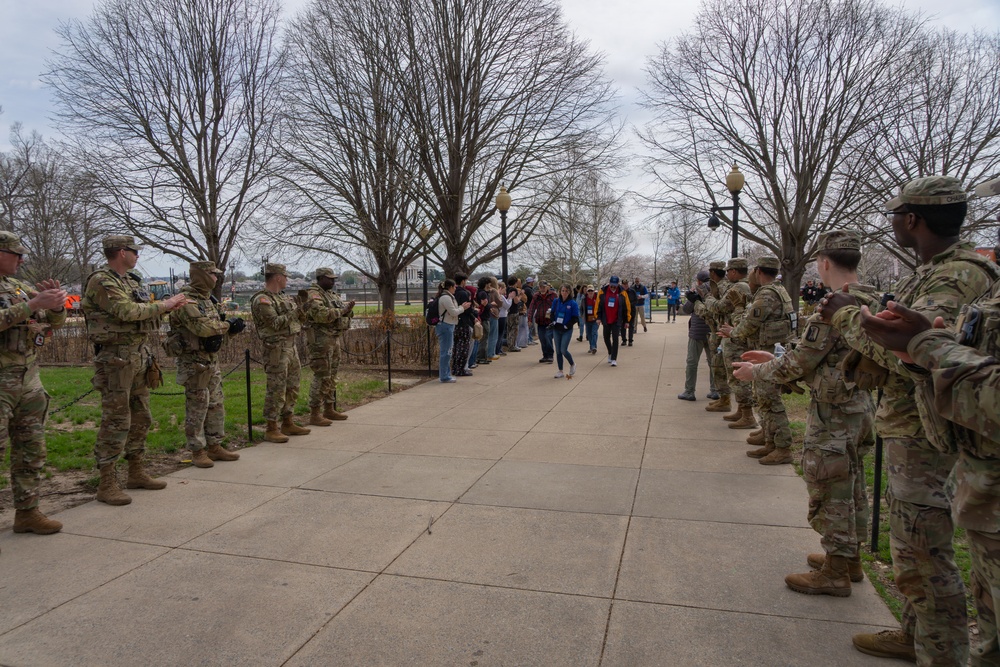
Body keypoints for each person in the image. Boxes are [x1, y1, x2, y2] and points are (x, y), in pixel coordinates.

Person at [818, 176, 999, 665]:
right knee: (913, 547)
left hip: (924, 437)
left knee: (923, 551)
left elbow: (914, 354)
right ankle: (919, 633)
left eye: (896, 216)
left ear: (913, 219)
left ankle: (937, 649)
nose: (893, 224)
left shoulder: (956, 276)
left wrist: (847, 318)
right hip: (912, 424)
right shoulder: (936, 271)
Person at [733, 231, 878, 596]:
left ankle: (835, 571)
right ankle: (849, 559)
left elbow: (801, 362)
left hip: (835, 414)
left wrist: (759, 372)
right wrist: (775, 358)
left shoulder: (834, 306)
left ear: (825, 262)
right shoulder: (869, 298)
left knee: (831, 488)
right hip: (860, 409)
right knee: (852, 483)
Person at [82, 235, 189, 506]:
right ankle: (107, 482)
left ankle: (136, 472)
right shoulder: (102, 281)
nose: (137, 256)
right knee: (117, 421)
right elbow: (126, 311)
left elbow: (143, 312)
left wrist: (167, 309)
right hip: (115, 360)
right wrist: (163, 305)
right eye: (134, 251)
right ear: (121, 252)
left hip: (138, 356)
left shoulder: (131, 281)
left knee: (141, 417)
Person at [0, 231, 68, 534]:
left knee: (31, 448)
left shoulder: (19, 287)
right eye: (16, 253)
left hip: (26, 378)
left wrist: (54, 307)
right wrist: (32, 304)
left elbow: (53, 322)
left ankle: (27, 512)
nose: (22, 259)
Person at [166, 261, 245, 468]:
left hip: (210, 361)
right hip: (194, 363)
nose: (216, 278)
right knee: (197, 407)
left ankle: (214, 445)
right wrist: (228, 325)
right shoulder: (186, 301)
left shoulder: (207, 300)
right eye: (212, 274)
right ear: (201, 275)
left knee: (216, 404)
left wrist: (231, 330)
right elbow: (203, 328)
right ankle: (197, 450)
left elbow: (215, 331)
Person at [721, 256, 795, 459]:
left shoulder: (767, 294)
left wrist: (733, 332)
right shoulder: (779, 290)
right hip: (771, 351)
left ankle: (781, 447)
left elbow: (750, 323)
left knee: (770, 401)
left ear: (759, 272)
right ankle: (770, 438)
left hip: (766, 353)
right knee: (765, 400)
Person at [251, 263, 311, 443]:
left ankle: (288, 421)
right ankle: (271, 427)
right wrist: (297, 311)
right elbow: (275, 323)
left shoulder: (283, 298)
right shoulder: (262, 300)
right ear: (277, 277)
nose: (287, 280)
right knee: (276, 389)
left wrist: (303, 309)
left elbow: (297, 320)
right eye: (285, 277)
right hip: (276, 348)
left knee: (292, 386)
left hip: (290, 346)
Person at [304, 268, 354, 425]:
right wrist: (342, 311)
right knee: (321, 376)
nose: (333, 282)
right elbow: (321, 314)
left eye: (334, 279)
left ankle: (329, 408)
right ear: (320, 279)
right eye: (329, 279)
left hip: (333, 338)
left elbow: (341, 312)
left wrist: (346, 311)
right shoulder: (313, 294)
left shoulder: (331, 294)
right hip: (321, 340)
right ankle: (314, 413)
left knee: (332, 375)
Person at [708, 258, 754, 428]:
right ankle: (742, 411)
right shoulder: (746, 285)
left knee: (738, 375)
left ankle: (747, 415)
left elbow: (721, 307)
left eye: (728, 271)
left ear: (734, 271)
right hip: (737, 333)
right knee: (735, 375)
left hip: (736, 337)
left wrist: (707, 299)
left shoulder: (739, 287)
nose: (726, 274)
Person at [678, 270, 717, 401]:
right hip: (712, 331)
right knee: (713, 363)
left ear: (699, 281)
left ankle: (689, 391)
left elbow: (686, 309)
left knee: (692, 362)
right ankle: (715, 389)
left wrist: (692, 298)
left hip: (697, 332)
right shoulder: (716, 292)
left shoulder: (697, 291)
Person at [697, 261, 730, 407]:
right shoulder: (723, 287)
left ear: (713, 273)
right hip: (721, 329)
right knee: (717, 365)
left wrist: (700, 301)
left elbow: (716, 309)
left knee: (720, 366)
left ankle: (727, 401)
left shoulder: (723, 288)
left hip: (723, 331)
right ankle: (723, 399)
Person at [434, 279, 472, 383]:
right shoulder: (446, 298)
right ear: (450, 287)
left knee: (447, 352)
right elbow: (454, 312)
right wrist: (462, 308)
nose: (455, 288)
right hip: (445, 325)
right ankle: (444, 376)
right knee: (446, 352)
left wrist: (460, 307)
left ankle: (446, 374)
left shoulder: (448, 297)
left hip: (448, 325)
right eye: (454, 287)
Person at [596, 275, 630, 367]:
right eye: (611, 284)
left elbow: (626, 307)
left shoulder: (622, 293)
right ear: (609, 283)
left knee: (615, 339)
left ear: (618, 284)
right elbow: (598, 305)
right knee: (606, 337)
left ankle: (614, 359)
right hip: (606, 319)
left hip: (617, 320)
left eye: (615, 285)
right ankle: (610, 353)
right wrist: (598, 317)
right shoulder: (602, 292)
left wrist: (627, 320)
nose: (613, 287)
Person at [550, 284, 580, 378]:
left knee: (563, 350)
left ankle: (572, 364)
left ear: (570, 292)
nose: (564, 293)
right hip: (557, 328)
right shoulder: (556, 301)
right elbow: (551, 313)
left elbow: (575, 318)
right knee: (558, 351)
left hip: (566, 329)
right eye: (562, 290)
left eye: (566, 291)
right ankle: (560, 370)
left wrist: (567, 326)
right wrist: (553, 322)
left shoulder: (572, 303)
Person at [451, 273, 475, 377]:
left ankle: (455, 367)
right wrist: (474, 312)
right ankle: (461, 368)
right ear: (462, 281)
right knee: (464, 347)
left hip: (454, 322)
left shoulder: (452, 294)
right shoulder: (464, 293)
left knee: (456, 347)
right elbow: (468, 309)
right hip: (464, 322)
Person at [527, 280, 556, 363]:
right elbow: (532, 307)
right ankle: (545, 355)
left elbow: (557, 306)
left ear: (547, 287)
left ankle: (550, 355)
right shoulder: (536, 296)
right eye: (540, 287)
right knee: (542, 339)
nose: (542, 288)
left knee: (548, 337)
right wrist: (529, 319)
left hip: (550, 322)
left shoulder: (553, 295)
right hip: (540, 321)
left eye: (544, 287)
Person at [583, 285, 600, 354]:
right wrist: (582, 316)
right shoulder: (584, 300)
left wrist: (599, 317)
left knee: (594, 332)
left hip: (596, 319)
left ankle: (593, 347)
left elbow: (600, 308)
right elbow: (581, 309)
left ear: (594, 291)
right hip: (588, 319)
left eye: (591, 291)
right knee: (589, 334)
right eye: (589, 291)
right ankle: (591, 346)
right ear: (587, 292)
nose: (590, 292)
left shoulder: (598, 299)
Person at [622, 279, 639, 346]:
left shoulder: (632, 291)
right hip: (623, 311)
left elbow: (636, 300)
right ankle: (624, 340)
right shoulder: (621, 292)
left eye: (626, 284)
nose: (625, 285)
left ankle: (630, 340)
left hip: (631, 310)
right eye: (624, 284)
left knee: (631, 325)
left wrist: (629, 304)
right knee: (623, 326)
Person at [523, 276, 537, 345]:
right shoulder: (528, 290)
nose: (533, 283)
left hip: (529, 308)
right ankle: (529, 339)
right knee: (529, 324)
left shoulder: (528, 289)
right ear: (530, 282)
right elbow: (533, 298)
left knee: (530, 324)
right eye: (532, 282)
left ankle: (530, 339)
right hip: (529, 308)